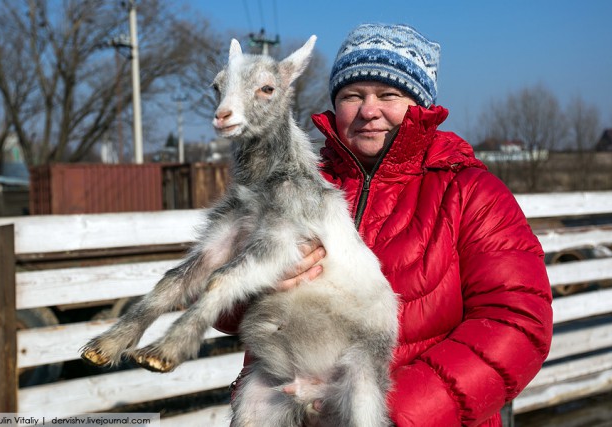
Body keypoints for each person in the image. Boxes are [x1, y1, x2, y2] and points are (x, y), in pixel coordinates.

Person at [217, 23, 553, 427]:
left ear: (419, 105)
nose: (369, 110)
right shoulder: (294, 185)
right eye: (352, 95)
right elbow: (225, 311)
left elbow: (516, 323)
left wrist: (393, 411)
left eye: (389, 95)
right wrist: (260, 279)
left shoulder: (470, 192)